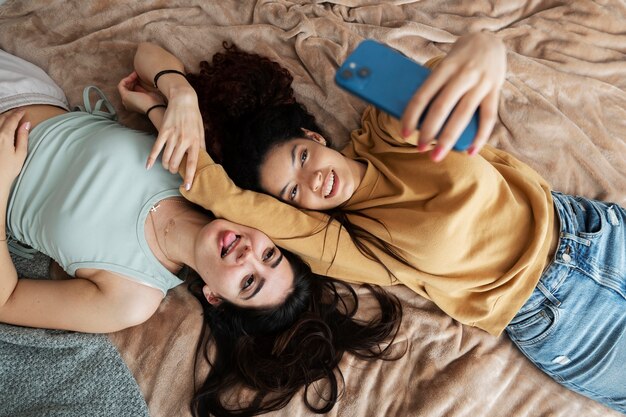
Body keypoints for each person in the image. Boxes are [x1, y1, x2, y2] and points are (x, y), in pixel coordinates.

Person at [126, 35, 626, 413]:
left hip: (592, 230)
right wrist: (160, 106)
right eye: (293, 194)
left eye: (302, 157)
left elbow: (452, 80)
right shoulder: (359, 246)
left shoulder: (387, 131)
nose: (312, 180)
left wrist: (484, 47)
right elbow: (226, 198)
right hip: (559, 316)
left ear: (312, 135)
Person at [0, 49, 403, 416]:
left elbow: (8, 300)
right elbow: (147, 56)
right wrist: (179, 96)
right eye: (269, 256)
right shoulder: (206, 178)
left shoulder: (130, 299)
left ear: (214, 297)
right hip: (20, 92)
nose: (248, 255)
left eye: (248, 282)